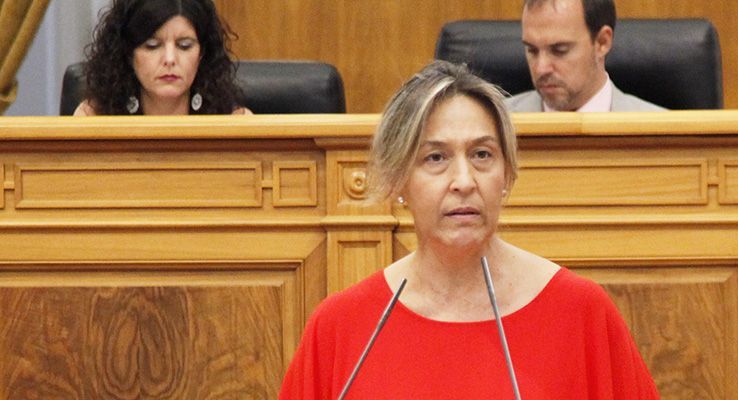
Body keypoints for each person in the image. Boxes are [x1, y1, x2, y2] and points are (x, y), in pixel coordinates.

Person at [279, 60, 659, 399]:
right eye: (436, 157)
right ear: (397, 181)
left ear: (506, 174)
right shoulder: (340, 327)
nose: (463, 181)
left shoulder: (581, 314)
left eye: (482, 155)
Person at [74, 0, 251, 116]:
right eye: (152, 46)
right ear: (128, 53)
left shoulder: (235, 123)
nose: (169, 59)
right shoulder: (93, 119)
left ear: (202, 53)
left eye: (184, 46)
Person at [506, 0, 665, 112]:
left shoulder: (663, 133)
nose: (541, 68)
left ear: (602, 42)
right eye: (532, 50)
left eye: (560, 50)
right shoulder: (496, 125)